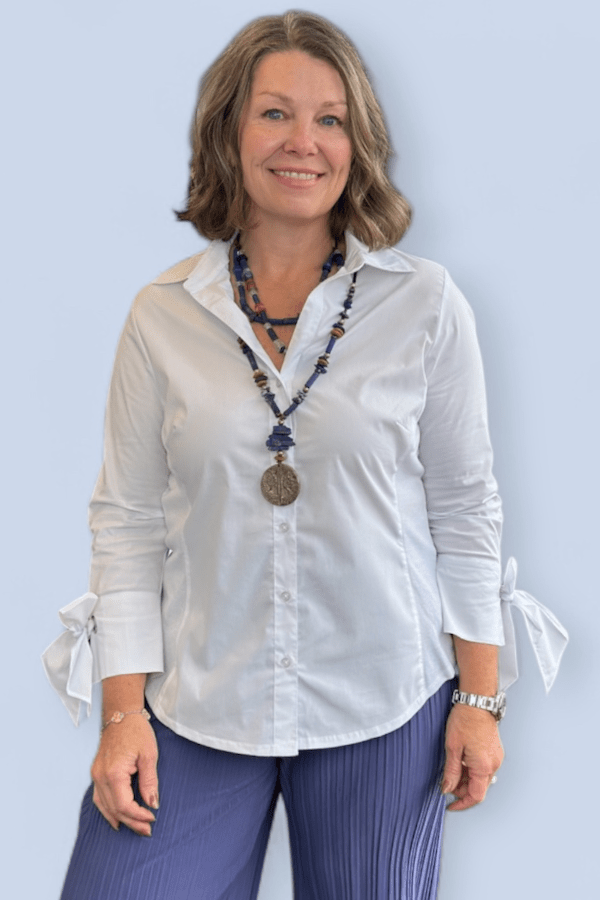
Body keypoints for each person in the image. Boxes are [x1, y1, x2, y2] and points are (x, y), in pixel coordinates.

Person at [42, 11, 567, 900]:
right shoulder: (160, 315)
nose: (304, 143)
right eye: (275, 113)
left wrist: (479, 702)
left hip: (382, 702)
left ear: (357, 143)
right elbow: (126, 525)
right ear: (228, 132)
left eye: (330, 119)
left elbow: (467, 510)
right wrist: (122, 713)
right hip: (200, 706)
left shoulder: (426, 305)